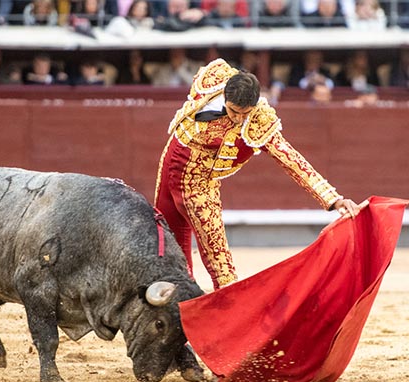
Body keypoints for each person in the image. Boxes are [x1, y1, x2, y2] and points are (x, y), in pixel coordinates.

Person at [154, 59, 359, 289]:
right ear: (225, 96)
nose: (239, 118)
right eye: (233, 111)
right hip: (171, 162)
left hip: (200, 182)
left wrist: (333, 199)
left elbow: (290, 159)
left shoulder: (259, 120)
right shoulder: (213, 76)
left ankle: (229, 310)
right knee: (165, 240)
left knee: (219, 259)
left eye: (245, 113)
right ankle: (176, 303)